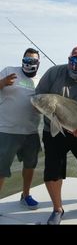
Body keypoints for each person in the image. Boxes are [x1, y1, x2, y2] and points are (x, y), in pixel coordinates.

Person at [35, 45, 77, 225]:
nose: (76, 63)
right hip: (54, 129)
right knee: (52, 171)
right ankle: (57, 209)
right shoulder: (53, 73)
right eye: (73, 59)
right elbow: (38, 95)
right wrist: (51, 113)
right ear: (68, 59)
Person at [0, 48, 41, 209]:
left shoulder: (40, 80)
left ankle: (25, 194)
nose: (29, 64)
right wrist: (2, 83)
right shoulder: (9, 71)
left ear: (38, 63)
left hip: (31, 132)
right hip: (7, 130)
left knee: (30, 165)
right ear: (22, 60)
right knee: (1, 169)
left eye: (33, 61)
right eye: (26, 60)